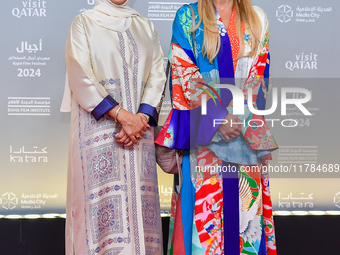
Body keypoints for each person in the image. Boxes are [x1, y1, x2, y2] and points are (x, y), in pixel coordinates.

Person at [156, 0, 278, 254]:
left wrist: (239, 120)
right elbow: (183, 74)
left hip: (243, 138)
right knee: (204, 220)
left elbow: (259, 76)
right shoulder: (187, 17)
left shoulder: (257, 18)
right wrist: (217, 117)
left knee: (245, 218)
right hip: (205, 138)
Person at [60, 0, 166, 254]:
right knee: (99, 216)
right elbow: (80, 75)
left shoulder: (145, 26)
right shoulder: (84, 24)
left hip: (139, 136)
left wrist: (141, 117)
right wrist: (122, 116)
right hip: (99, 137)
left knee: (143, 215)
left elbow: (158, 74)